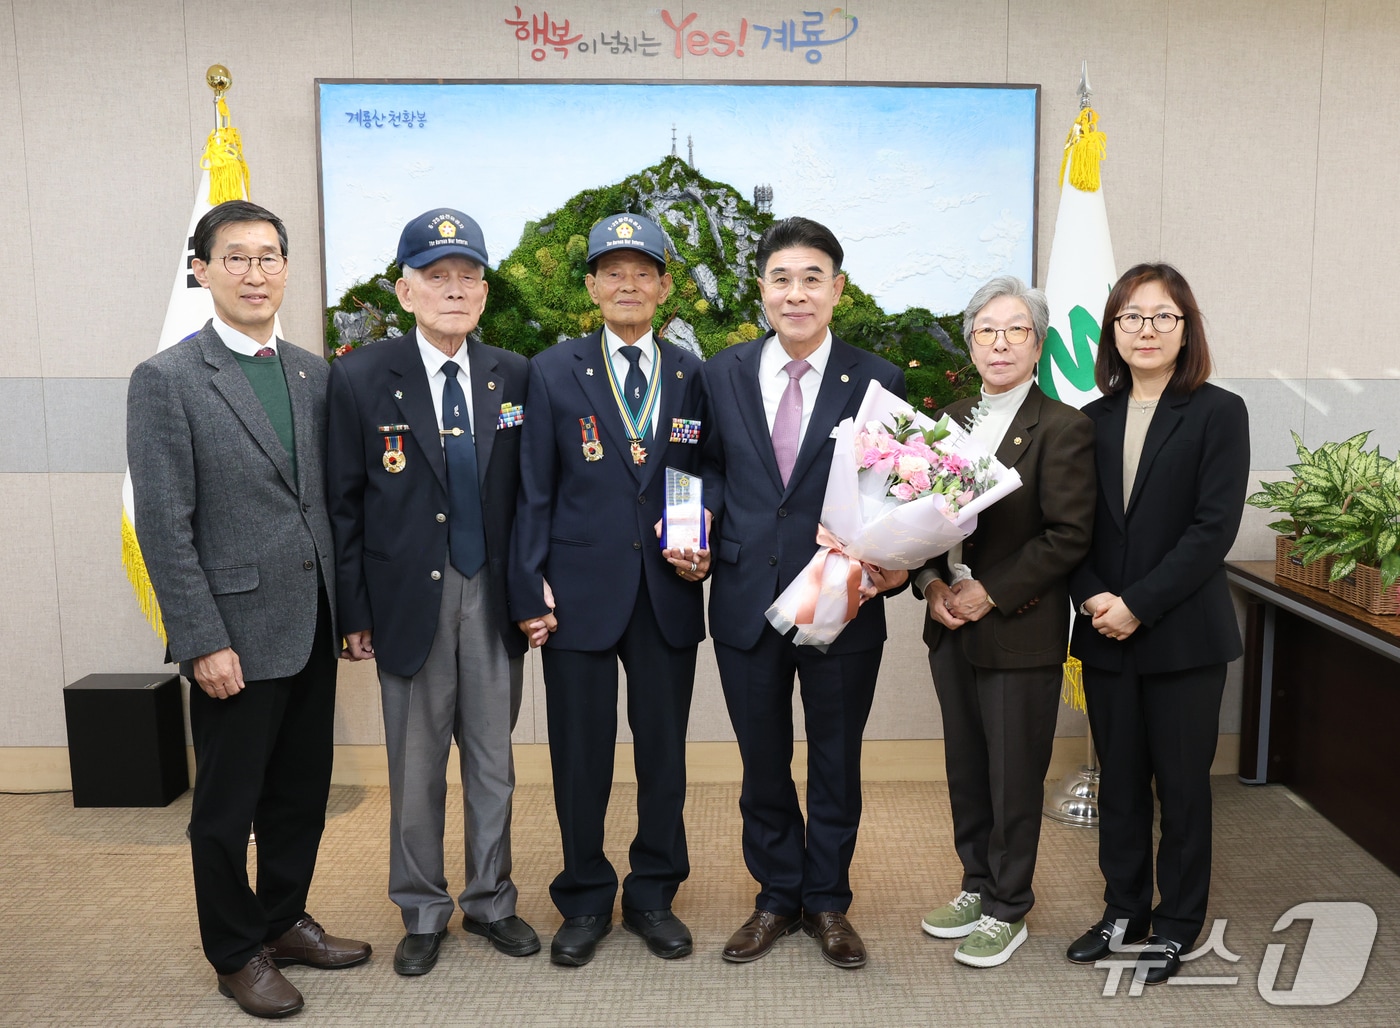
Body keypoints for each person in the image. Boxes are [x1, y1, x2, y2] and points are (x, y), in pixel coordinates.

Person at [127, 200, 370, 1019]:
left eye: (269, 257)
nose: (255, 273)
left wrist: (350, 610)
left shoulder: (312, 372)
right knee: (227, 809)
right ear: (200, 269)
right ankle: (235, 952)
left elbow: (329, 503)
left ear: (287, 270)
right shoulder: (166, 380)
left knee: (301, 792)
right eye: (236, 257)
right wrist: (201, 639)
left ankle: (282, 919)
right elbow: (164, 523)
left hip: (311, 623)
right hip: (232, 634)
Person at [326, 209, 537, 976]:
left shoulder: (514, 373)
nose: (455, 290)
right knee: (416, 769)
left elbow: (529, 496)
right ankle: (420, 910)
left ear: (483, 291)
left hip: (491, 598)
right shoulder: (358, 376)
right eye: (436, 276)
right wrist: (352, 611)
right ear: (404, 289)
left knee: (492, 763)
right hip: (406, 601)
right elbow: (343, 504)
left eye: (468, 276)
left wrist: (530, 589)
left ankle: (491, 901)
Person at [703, 216, 907, 970]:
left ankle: (827, 901)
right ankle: (775, 897)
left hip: (843, 600)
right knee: (761, 761)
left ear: (838, 290)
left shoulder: (881, 377)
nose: (797, 294)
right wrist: (697, 527)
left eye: (812, 279)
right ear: (762, 289)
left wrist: (900, 562)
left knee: (835, 759)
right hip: (744, 597)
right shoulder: (719, 372)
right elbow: (707, 469)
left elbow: (895, 490)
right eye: (782, 279)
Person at [509, 212, 711, 967]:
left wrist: (698, 538)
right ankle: (585, 897)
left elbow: (698, 470)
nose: (628, 283)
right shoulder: (551, 369)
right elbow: (533, 488)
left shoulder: (692, 372)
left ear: (664, 286)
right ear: (591, 286)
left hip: (667, 590)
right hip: (578, 595)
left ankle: (654, 893)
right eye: (612, 271)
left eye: (644, 271)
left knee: (664, 754)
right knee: (580, 757)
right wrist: (528, 586)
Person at [1065, 263, 1249, 984]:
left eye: (1162, 316)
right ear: (1112, 330)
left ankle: (1176, 924)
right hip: (1103, 630)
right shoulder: (1090, 417)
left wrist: (1137, 603)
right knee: (1119, 783)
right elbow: (1071, 528)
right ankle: (1124, 910)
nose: (1146, 329)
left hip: (1181, 638)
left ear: (1186, 328)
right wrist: (1092, 598)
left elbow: (1212, 530)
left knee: (1181, 786)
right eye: (1131, 316)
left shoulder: (1217, 411)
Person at [916, 276, 1096, 968]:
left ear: (1038, 342)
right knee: (966, 767)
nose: (1000, 342)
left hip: (1017, 624)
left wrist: (988, 592)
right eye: (986, 329)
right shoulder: (949, 420)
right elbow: (922, 524)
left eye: (1015, 329)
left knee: (1013, 773)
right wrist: (931, 583)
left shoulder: (1064, 427)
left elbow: (1069, 535)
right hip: (949, 623)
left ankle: (1009, 905)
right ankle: (975, 883)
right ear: (970, 342)